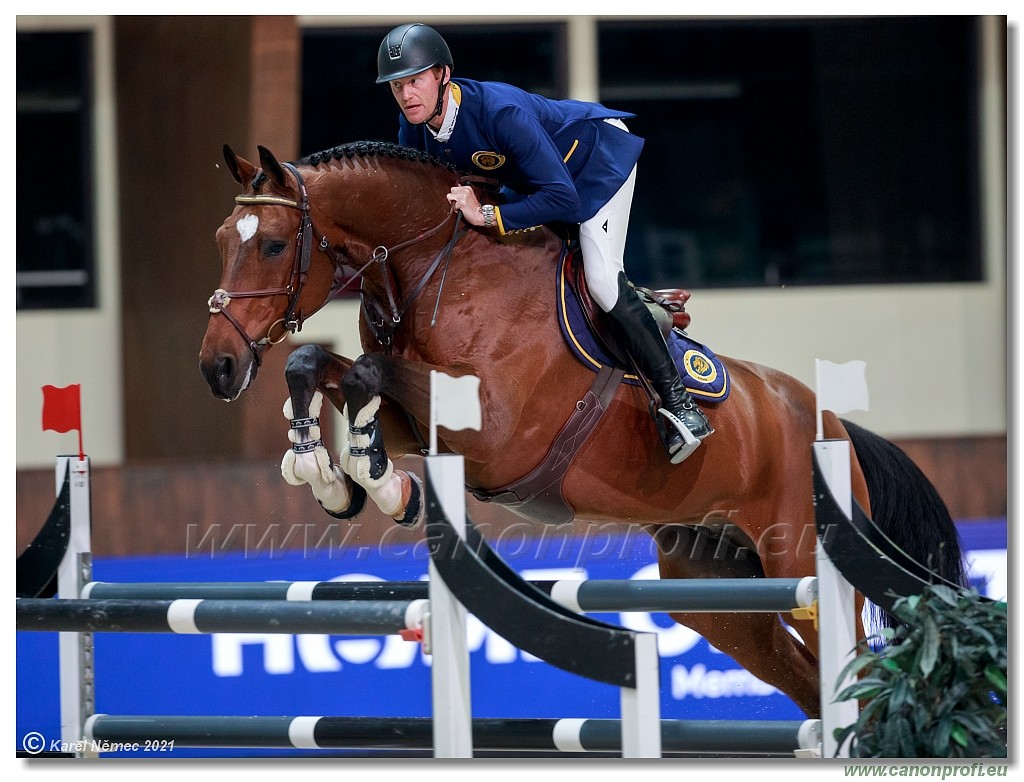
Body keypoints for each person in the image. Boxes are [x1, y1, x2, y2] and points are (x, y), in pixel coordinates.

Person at [375, 23, 713, 463]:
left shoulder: (499, 113)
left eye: (414, 80)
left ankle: (680, 405)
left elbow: (563, 199)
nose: (406, 95)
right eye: (397, 86)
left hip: (593, 165)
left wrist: (492, 215)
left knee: (602, 281)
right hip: (535, 182)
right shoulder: (413, 127)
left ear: (443, 74)